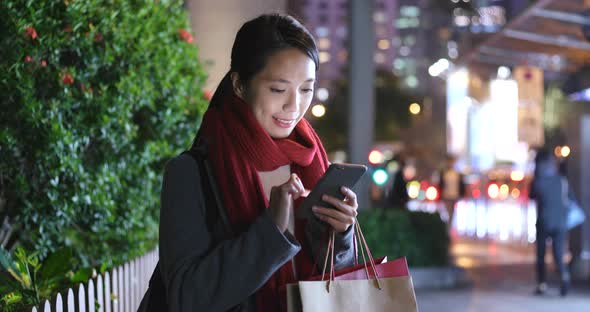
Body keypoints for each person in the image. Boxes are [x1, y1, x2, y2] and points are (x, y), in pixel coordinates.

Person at [155, 14, 357, 311]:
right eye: (278, 89)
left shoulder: (311, 162)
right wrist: (271, 232)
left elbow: (334, 278)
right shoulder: (190, 173)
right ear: (239, 84)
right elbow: (186, 297)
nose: (294, 106)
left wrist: (340, 236)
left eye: (306, 89)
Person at [529, 148, 570, 296]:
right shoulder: (561, 179)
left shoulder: (538, 179)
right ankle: (565, 276)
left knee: (541, 254)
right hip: (560, 221)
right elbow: (568, 198)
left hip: (544, 221)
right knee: (558, 254)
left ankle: (542, 285)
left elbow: (531, 195)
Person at [438, 155, 465, 224]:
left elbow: (461, 185)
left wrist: (462, 194)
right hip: (446, 196)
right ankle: (447, 227)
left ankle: (449, 227)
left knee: (452, 213)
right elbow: (440, 184)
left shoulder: (457, 174)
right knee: (447, 212)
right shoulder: (444, 173)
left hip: (455, 195)